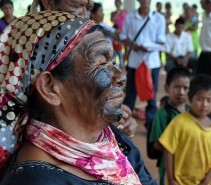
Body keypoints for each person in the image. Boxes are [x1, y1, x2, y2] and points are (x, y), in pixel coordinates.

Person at [0, 11, 182, 185]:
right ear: (51, 88)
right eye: (101, 64)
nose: (121, 75)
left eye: (114, 61)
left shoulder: (114, 144)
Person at [32, 0, 137, 137]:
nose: (84, 14)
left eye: (88, 8)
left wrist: (105, 115)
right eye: (76, 6)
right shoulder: (35, 46)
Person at [120, 0, 166, 124]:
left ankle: (151, 125)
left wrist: (149, 47)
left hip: (152, 63)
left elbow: (162, 41)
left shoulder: (158, 18)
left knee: (151, 96)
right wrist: (133, 46)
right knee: (130, 95)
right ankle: (123, 125)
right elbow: (123, 37)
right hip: (135, 62)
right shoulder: (131, 16)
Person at [149, 67, 191, 185]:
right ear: (167, 88)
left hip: (189, 167)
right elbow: (156, 144)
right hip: (168, 169)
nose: (181, 92)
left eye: (185, 88)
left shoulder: (192, 112)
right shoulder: (162, 115)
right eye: (177, 87)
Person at [111, 0, 127, 69]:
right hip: (116, 32)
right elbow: (112, 20)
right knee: (117, 47)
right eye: (116, 3)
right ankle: (118, 65)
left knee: (126, 48)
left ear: (121, 4)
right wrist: (117, 13)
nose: (117, 4)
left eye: (119, 3)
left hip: (124, 32)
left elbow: (127, 21)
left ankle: (122, 64)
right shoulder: (113, 12)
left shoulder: (125, 12)